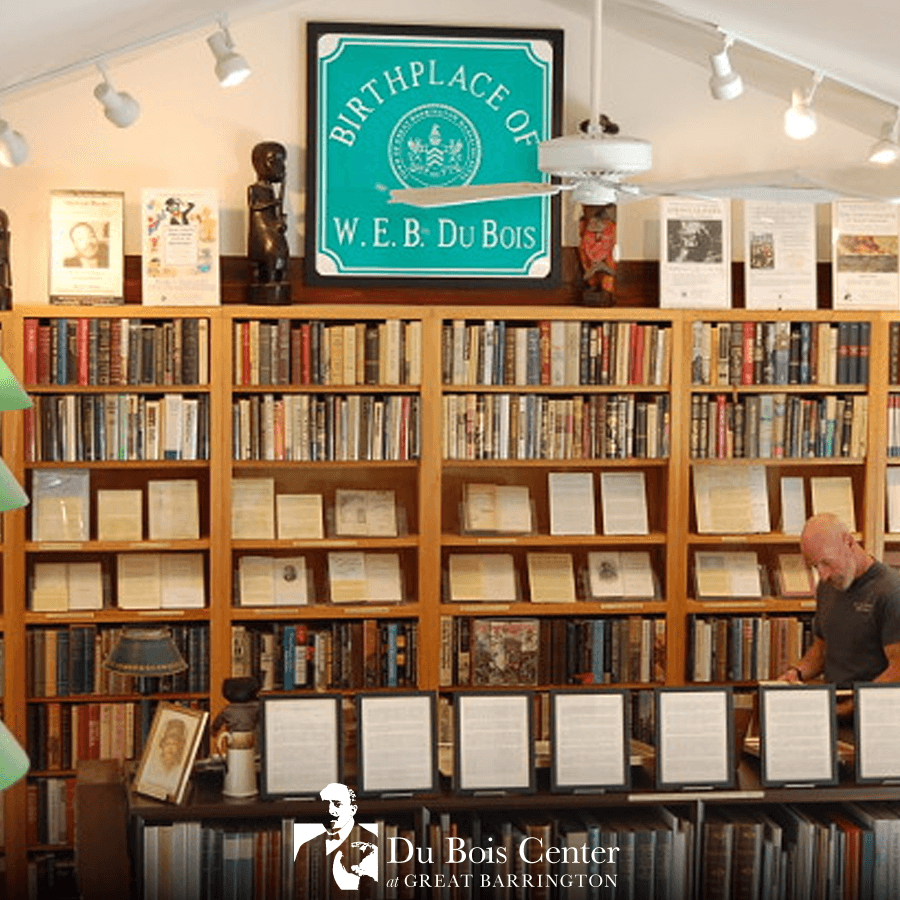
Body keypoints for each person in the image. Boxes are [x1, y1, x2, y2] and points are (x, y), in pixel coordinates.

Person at [779, 513, 900, 715]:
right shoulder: (828, 587)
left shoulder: (891, 591)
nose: (823, 574)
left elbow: (898, 670)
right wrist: (797, 673)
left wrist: (849, 707)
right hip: (834, 711)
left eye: (827, 563)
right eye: (815, 566)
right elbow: (822, 648)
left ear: (849, 542)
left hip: (874, 717)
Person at [295, 782, 377, 897]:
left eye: (337, 804)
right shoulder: (308, 842)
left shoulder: (369, 845)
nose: (331, 811)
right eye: (328, 804)